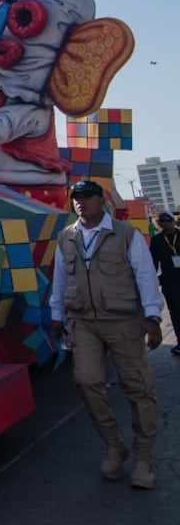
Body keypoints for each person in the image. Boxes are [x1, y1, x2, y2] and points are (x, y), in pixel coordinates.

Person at [50, 180, 164, 490]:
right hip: (83, 321)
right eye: (76, 198)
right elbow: (60, 278)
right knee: (86, 382)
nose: (80, 203)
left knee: (138, 389)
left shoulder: (126, 235)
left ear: (103, 201)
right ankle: (114, 446)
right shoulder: (66, 237)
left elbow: (144, 275)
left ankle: (143, 459)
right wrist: (56, 313)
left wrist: (152, 317)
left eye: (87, 197)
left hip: (123, 320)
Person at [147, 211, 180, 355]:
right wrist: (151, 280)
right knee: (176, 312)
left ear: (174, 221)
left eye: (168, 220)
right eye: (162, 220)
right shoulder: (157, 240)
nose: (165, 222)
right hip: (170, 281)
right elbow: (153, 262)